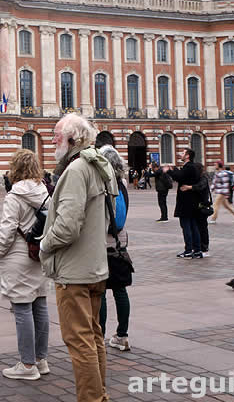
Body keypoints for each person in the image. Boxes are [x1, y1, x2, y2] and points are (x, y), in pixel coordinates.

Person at [40, 113, 116, 402]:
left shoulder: (76, 170)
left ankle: (91, 399)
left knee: (79, 340)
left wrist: (45, 244)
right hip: (95, 266)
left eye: (56, 134)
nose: (52, 140)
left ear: (73, 138)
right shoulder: (100, 164)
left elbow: (68, 225)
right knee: (94, 337)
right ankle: (100, 394)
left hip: (74, 271)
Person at [0, 149, 52, 381]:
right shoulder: (44, 192)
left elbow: (7, 230)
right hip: (38, 253)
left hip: (18, 255)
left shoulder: (14, 196)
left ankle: (27, 365)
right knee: (40, 304)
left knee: (21, 307)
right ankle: (41, 359)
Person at [97, 145, 132, 352]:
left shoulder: (101, 184)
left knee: (100, 291)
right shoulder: (123, 183)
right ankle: (122, 335)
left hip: (101, 241)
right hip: (120, 242)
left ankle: (99, 336)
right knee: (120, 290)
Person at [168, 148, 203, 259]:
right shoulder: (192, 167)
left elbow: (180, 177)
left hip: (186, 201)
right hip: (192, 201)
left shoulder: (189, 167)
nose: (180, 155)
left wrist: (169, 171)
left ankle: (189, 250)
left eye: (183, 153)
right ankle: (197, 250)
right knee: (193, 226)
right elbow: (182, 176)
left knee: (186, 226)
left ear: (187, 156)